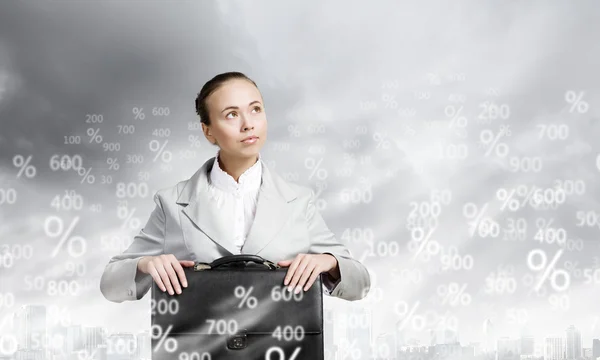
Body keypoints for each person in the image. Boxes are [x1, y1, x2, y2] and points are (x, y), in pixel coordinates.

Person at [99, 71, 371, 303]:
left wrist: (330, 263)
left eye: (255, 109)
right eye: (231, 115)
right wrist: (145, 264)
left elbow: (360, 283)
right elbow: (110, 285)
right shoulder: (172, 204)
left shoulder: (299, 201)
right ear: (208, 131)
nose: (248, 124)